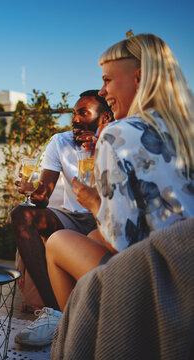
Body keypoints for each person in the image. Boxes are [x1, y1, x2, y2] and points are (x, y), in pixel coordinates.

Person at [46, 32, 194, 347]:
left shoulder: (118, 133)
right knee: (90, 238)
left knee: (58, 242)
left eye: (108, 80)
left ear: (139, 78)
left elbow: (121, 240)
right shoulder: (186, 129)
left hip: (158, 279)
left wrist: (95, 202)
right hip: (187, 262)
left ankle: (79, 340)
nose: (103, 91)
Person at [12, 91, 113, 346]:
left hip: (106, 215)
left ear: (104, 118)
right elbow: (44, 196)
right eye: (74, 113)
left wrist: (103, 144)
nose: (75, 120)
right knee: (21, 215)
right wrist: (34, 192)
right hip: (72, 217)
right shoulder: (60, 142)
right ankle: (54, 312)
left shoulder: (118, 140)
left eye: (84, 113)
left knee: (95, 234)